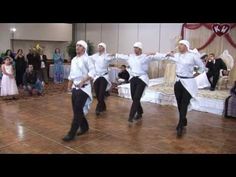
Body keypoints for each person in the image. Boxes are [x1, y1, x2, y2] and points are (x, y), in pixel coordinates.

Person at [148, 40, 205, 137]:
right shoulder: (177, 55)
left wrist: (196, 74)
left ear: (186, 46)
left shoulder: (193, 56)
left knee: (184, 103)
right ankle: (184, 119)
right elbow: (165, 56)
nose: (179, 46)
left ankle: (180, 124)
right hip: (178, 82)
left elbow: (202, 67)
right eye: (179, 45)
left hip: (188, 83)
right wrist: (154, 54)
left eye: (181, 45)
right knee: (179, 103)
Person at [113, 42, 168, 123]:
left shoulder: (146, 56)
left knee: (136, 97)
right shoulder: (130, 57)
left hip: (142, 79)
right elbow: (122, 56)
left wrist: (166, 54)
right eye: (134, 48)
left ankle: (131, 116)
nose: (135, 49)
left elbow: (157, 57)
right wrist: (114, 54)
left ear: (140, 49)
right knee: (133, 97)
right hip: (133, 78)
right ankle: (140, 112)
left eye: (137, 48)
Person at [63, 40, 95, 142]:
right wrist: (69, 85)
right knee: (77, 110)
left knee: (77, 110)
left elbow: (93, 72)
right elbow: (71, 74)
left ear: (84, 48)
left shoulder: (87, 59)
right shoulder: (73, 60)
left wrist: (83, 81)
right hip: (75, 88)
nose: (77, 47)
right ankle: (85, 126)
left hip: (84, 88)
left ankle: (71, 133)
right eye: (77, 45)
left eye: (80, 46)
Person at [90, 42, 113, 116]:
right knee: (97, 94)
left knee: (101, 94)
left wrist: (114, 55)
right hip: (97, 77)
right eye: (98, 46)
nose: (99, 47)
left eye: (101, 46)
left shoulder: (106, 56)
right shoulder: (95, 56)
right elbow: (88, 57)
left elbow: (112, 57)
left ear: (104, 48)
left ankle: (98, 108)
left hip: (104, 77)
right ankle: (103, 106)